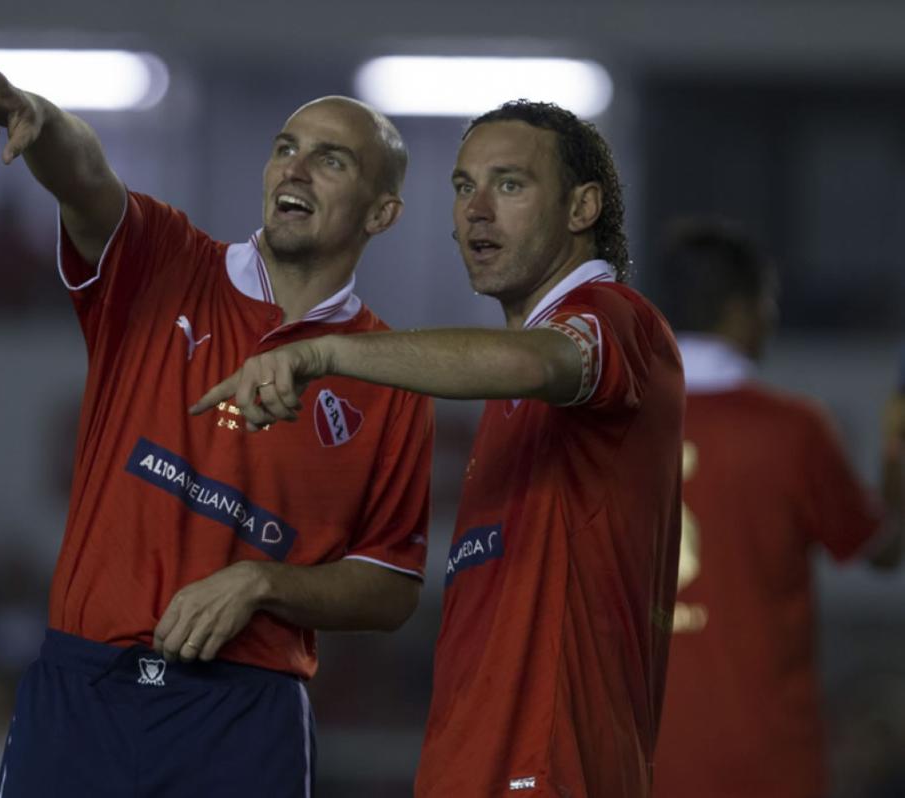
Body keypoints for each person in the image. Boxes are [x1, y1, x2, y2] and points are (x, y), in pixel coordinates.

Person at [0, 61, 434, 797]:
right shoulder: (164, 260)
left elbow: (392, 588)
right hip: (83, 692)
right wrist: (47, 126)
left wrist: (261, 583)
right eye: (286, 147)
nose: (296, 169)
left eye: (330, 160)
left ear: (381, 213)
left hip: (242, 716)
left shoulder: (392, 377)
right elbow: (86, 179)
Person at [195, 100, 685, 797]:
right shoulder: (508, 387)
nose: (476, 211)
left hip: (552, 767)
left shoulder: (615, 319)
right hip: (478, 765)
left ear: (582, 207)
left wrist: (330, 351)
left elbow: (538, 364)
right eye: (463, 188)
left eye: (510, 185)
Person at [646, 220, 904, 798]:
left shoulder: (614, 428)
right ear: (741, 309)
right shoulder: (792, 430)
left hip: (637, 758)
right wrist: (896, 461)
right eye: (768, 302)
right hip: (764, 760)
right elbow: (881, 550)